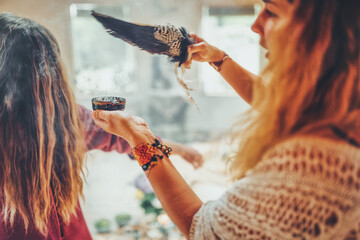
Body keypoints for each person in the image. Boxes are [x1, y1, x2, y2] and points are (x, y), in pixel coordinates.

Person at [92, 0, 360, 239]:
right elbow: (278, 103)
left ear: (322, 34)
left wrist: (139, 138)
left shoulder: (315, 165)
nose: (256, 25)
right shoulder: (341, 107)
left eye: (272, 11)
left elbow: (203, 229)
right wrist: (218, 58)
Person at [0, 12, 202, 239]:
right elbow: (128, 138)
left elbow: (127, 138)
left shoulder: (65, 116)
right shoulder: (66, 116)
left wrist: (182, 149)